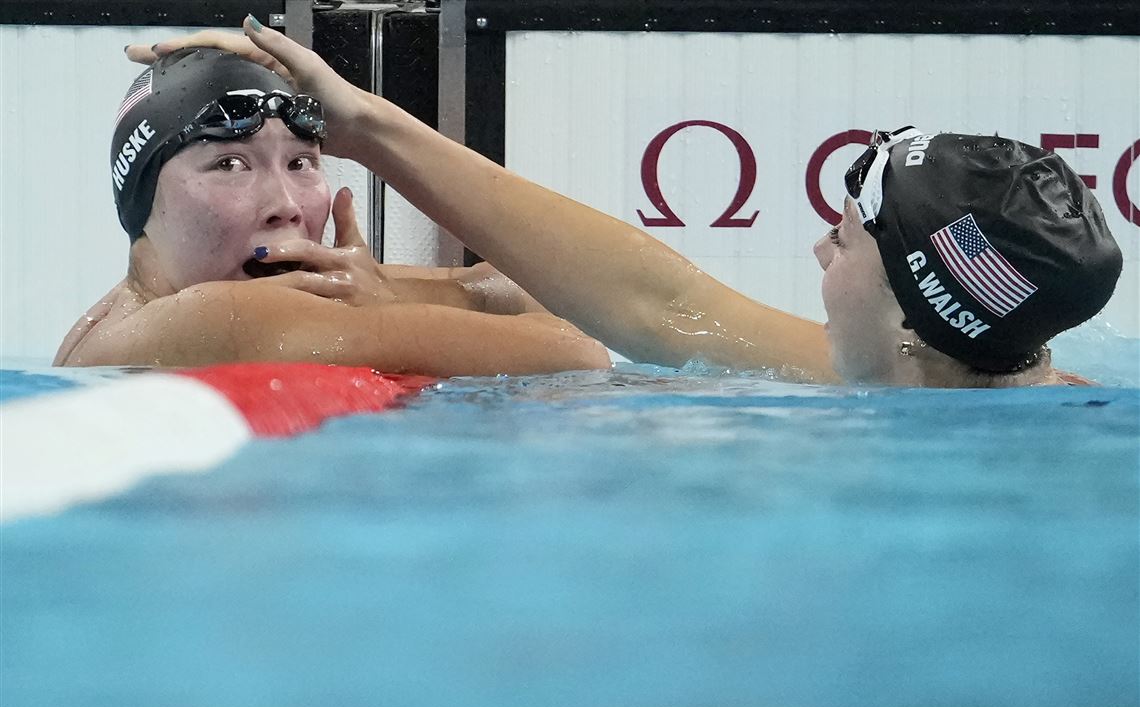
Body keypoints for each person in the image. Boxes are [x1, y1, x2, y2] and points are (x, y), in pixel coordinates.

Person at [124, 18, 1123, 388]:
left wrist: (401, 312)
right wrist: (370, 128)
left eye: (854, 232)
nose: (825, 244)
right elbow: (653, 303)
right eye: (227, 162)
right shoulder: (941, 371)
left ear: (916, 319)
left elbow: (592, 343)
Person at [54, 47, 611, 376]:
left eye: (301, 163)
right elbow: (578, 351)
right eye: (229, 165)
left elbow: (503, 288)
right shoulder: (211, 316)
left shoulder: (113, 322)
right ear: (141, 198)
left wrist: (374, 292)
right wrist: (386, 304)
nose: (286, 206)